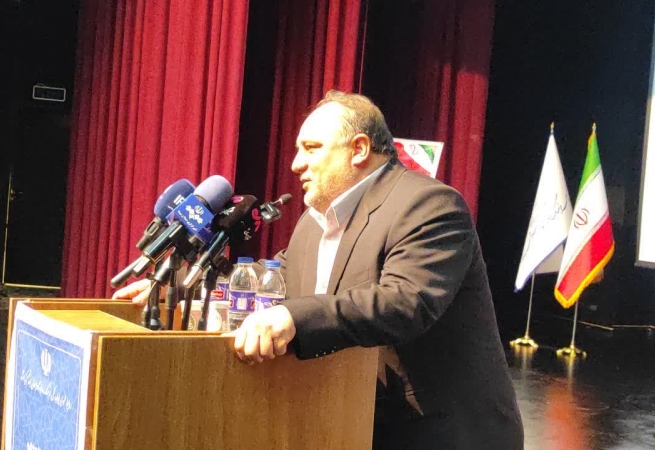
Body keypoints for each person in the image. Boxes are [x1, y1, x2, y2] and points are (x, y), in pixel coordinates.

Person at [115, 91, 524, 449]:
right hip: (347, 425)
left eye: (311, 148)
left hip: (438, 435)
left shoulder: (429, 205)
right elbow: (273, 280)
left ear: (359, 149)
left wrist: (293, 317)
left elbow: (404, 301)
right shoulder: (313, 223)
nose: (296, 164)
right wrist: (183, 289)